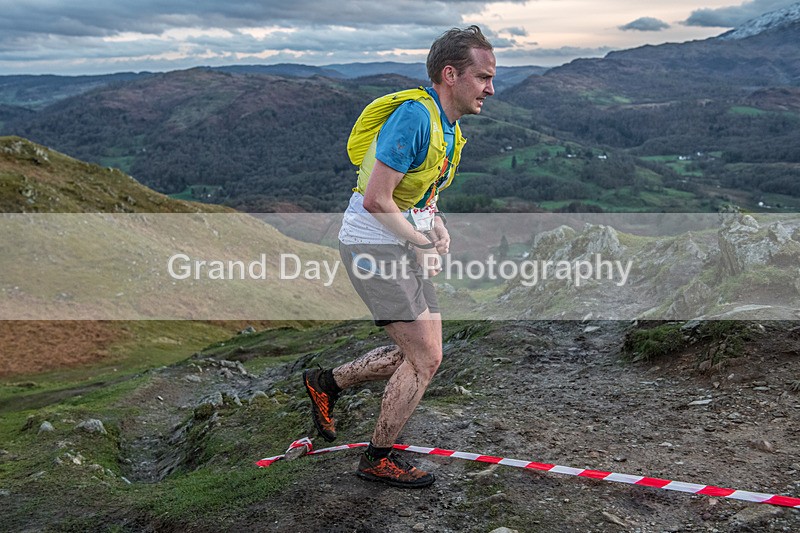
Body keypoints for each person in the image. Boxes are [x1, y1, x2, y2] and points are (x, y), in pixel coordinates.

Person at [303, 25, 495, 488]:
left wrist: (436, 226)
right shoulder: (414, 117)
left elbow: (420, 192)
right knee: (426, 358)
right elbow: (375, 198)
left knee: (423, 351)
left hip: (397, 244)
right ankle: (376, 459)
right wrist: (421, 241)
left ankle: (326, 384)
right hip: (372, 246)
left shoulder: (448, 128)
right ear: (451, 75)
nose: (490, 88)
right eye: (483, 77)